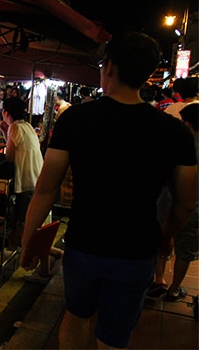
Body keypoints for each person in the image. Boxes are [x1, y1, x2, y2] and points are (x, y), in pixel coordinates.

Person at [19, 32, 197, 349]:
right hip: (137, 249)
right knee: (114, 337)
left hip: (84, 244)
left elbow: (47, 189)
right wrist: (166, 234)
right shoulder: (173, 131)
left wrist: (29, 239)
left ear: (110, 67)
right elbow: (185, 203)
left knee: (75, 317)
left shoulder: (75, 119)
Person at [0, 97, 63, 283]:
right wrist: (5, 133)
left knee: (25, 231)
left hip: (26, 184)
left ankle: (56, 253)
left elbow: (10, 157)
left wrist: (6, 132)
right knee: (35, 229)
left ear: (6, 113)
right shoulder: (25, 126)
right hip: (37, 180)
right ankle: (45, 269)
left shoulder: (15, 127)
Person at [149, 102, 199, 301]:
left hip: (166, 206)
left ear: (187, 123)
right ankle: (174, 289)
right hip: (195, 212)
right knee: (185, 251)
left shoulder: (176, 145)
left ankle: (158, 280)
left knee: (162, 240)